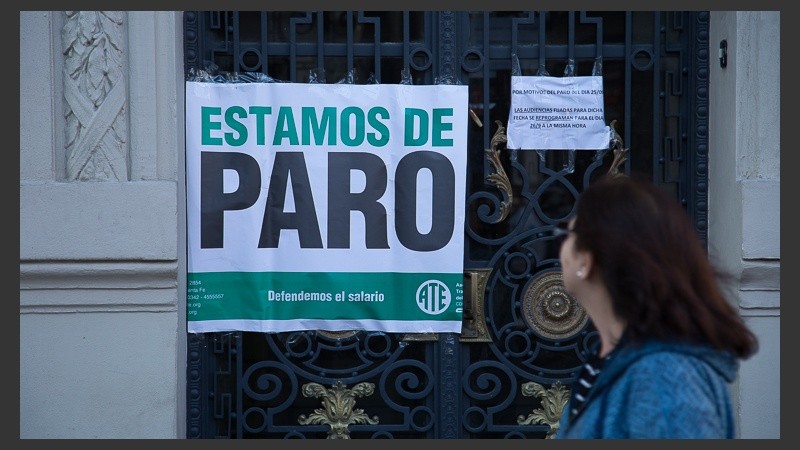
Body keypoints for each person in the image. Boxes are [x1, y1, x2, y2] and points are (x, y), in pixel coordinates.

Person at [552, 174, 758, 439]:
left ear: (586, 260)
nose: (560, 247)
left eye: (567, 233)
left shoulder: (663, 377)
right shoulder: (617, 357)